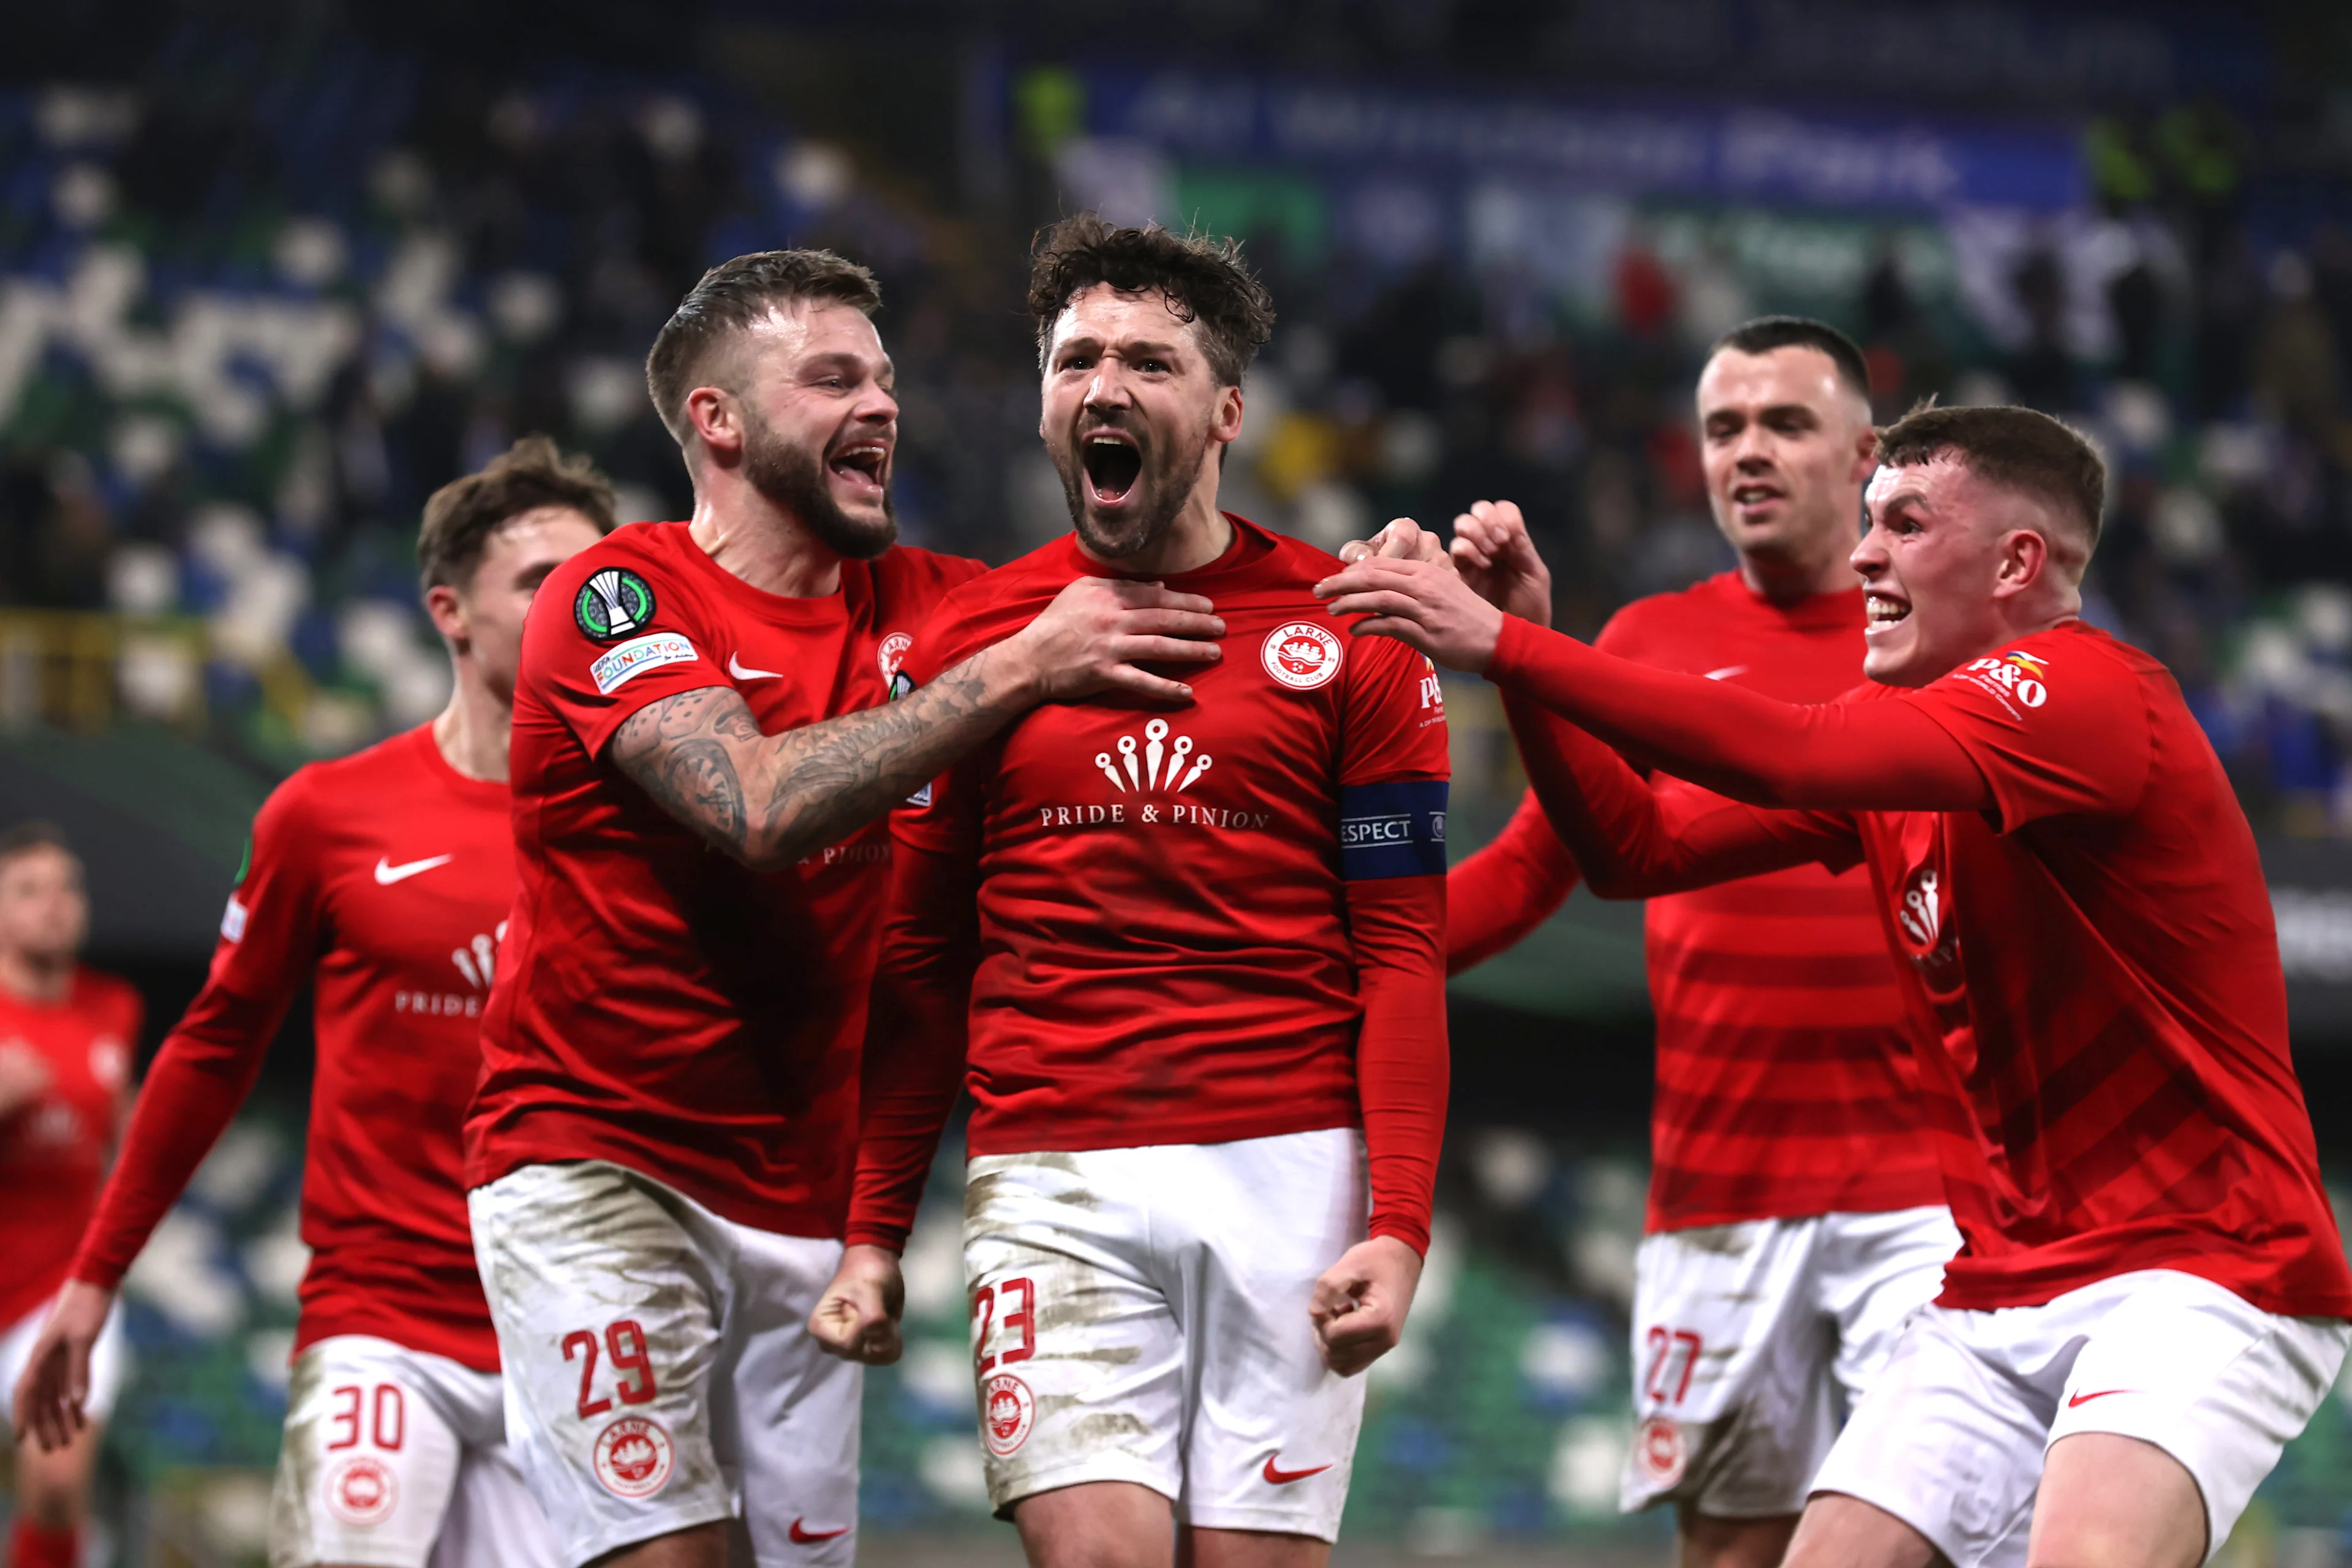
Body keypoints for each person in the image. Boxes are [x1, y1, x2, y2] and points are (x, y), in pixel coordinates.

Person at [1315, 404, 2352, 1568]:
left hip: (2206, 1266)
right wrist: (1533, 655)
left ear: (2017, 563)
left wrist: (1505, 649)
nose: (1864, 556)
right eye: (1869, 526)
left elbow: (1795, 750)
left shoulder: (2090, 695)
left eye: (1905, 525)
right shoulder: (1896, 739)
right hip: (2001, 1286)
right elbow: (1634, 852)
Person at [462, 248, 1224, 1568]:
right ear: (720, 422)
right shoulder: (619, 594)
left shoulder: (938, 605)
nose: (881, 405)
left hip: (810, 1207)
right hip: (600, 1162)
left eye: (884, 377)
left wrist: (1373, 577)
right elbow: (755, 810)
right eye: (833, 379)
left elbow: (1187, 586)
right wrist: (1015, 671)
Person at [810, 216, 1449, 1568]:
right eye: (1075, 358)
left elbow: (1402, 955)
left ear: (1223, 411)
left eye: (1147, 362)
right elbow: (921, 958)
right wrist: (874, 1230)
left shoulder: (1353, 635)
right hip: (1052, 1168)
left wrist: (1396, 1225)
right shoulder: (975, 641)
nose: (1104, 385)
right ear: (1046, 399)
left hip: (1293, 1176)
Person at [10, 439, 611, 1568]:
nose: (578, 607)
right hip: (383, 1325)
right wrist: (93, 1282)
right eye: (541, 582)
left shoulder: (651, 828)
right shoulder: (331, 816)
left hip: (574, 1336)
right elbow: (210, 1051)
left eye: (596, 581)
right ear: (450, 611)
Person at [1430, 319, 1958, 1568]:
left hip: (1931, 1198)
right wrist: (1330, 954)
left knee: (1932, 1534)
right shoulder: (1645, 647)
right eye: (1725, 428)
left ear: (1865, 451)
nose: (1750, 452)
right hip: (1719, 1194)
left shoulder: (1935, 647)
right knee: (1731, 1552)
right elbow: (1524, 876)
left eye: (1785, 423)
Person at [0, 824, 138, 1568]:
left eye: (67, 887)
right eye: (29, 890)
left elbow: (121, 1129)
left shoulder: (113, 1008)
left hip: (62, 1288)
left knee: (56, 1485)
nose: (54, 905)